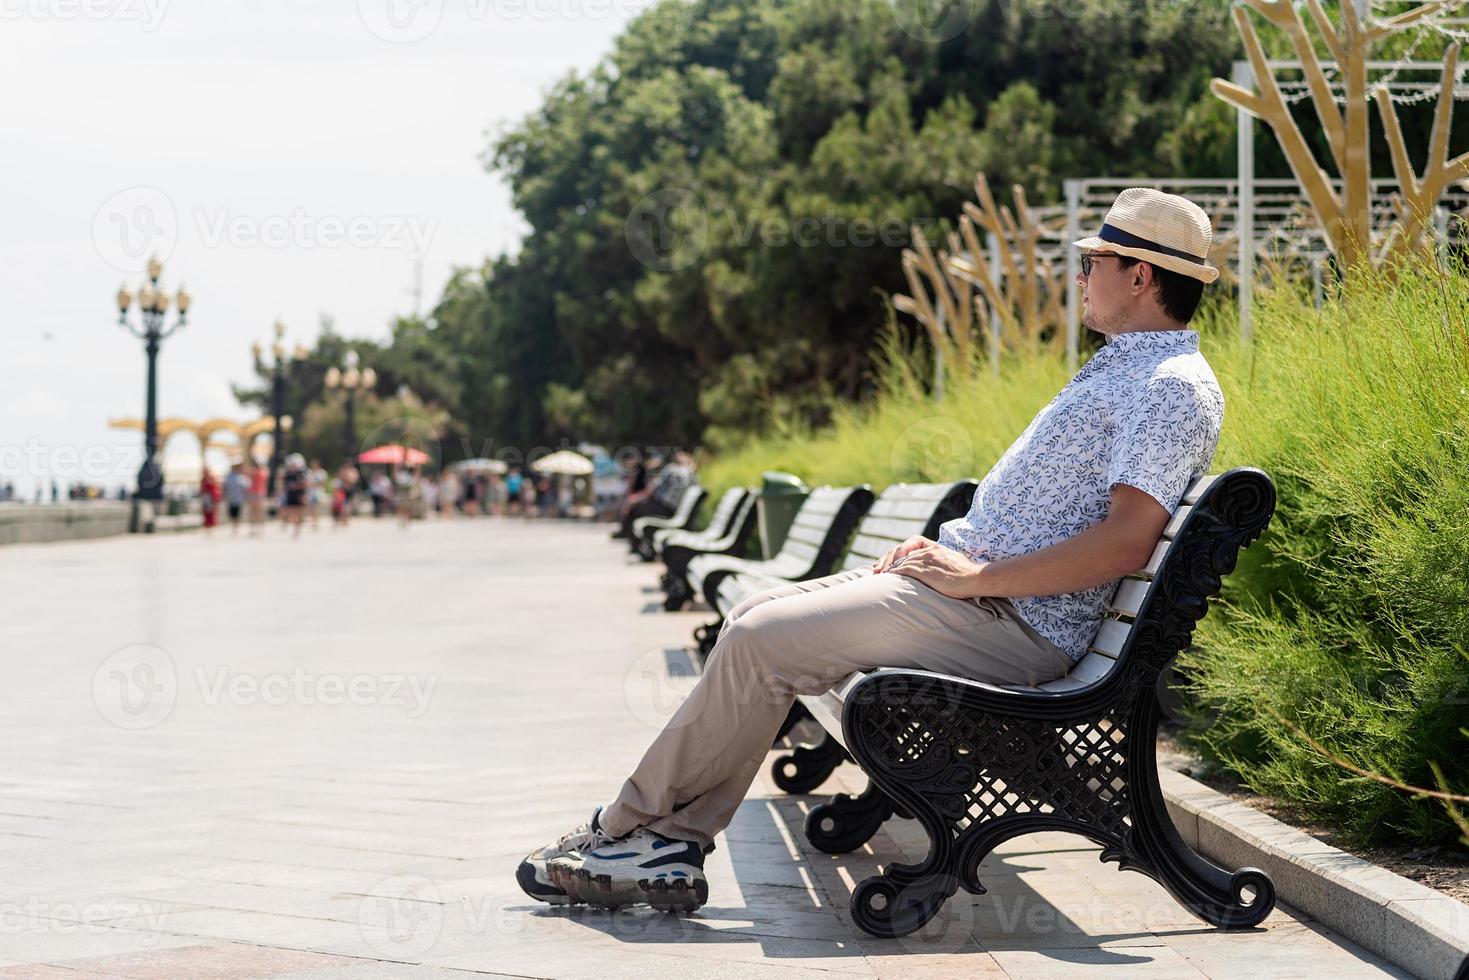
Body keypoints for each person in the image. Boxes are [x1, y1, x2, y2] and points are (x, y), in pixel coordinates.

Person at [516, 189, 1226, 913]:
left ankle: (635, 831)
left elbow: (1125, 539)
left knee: (763, 637)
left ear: (1139, 276)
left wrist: (977, 575)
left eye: (1093, 262)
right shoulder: (1127, 369)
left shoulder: (1169, 388)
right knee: (756, 615)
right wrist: (960, 558)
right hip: (982, 601)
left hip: (1015, 624)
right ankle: (663, 839)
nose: (1078, 275)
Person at [615, 450, 693, 541]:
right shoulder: (689, 473)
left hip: (665, 509)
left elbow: (651, 490)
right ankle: (630, 536)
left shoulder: (671, 469)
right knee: (636, 505)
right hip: (674, 510)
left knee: (634, 508)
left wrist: (635, 500)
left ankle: (631, 538)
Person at [281, 454, 308, 538]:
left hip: (299, 495)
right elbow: (284, 485)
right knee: (289, 513)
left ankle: (296, 531)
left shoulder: (301, 474)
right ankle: (293, 526)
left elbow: (304, 485)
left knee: (299, 514)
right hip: (290, 496)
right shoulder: (288, 474)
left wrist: (296, 486)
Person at [223, 463, 247, 535]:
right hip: (231, 498)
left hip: (238, 499)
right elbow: (225, 487)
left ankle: (236, 527)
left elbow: (245, 488)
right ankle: (234, 527)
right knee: (232, 514)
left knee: (237, 513)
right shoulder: (228, 477)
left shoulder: (240, 477)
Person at [246, 461, 268, 537]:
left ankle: (257, 528)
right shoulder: (263, 472)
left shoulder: (258, 472)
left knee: (256, 511)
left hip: (257, 492)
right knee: (256, 511)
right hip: (256, 492)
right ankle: (257, 528)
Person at [306, 458, 328, 530]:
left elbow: (324, 483)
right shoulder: (309, 472)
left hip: (318, 492)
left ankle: (316, 521)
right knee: (311, 508)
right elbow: (307, 483)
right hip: (311, 492)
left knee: (316, 507)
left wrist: (315, 484)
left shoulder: (322, 472)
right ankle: (313, 521)